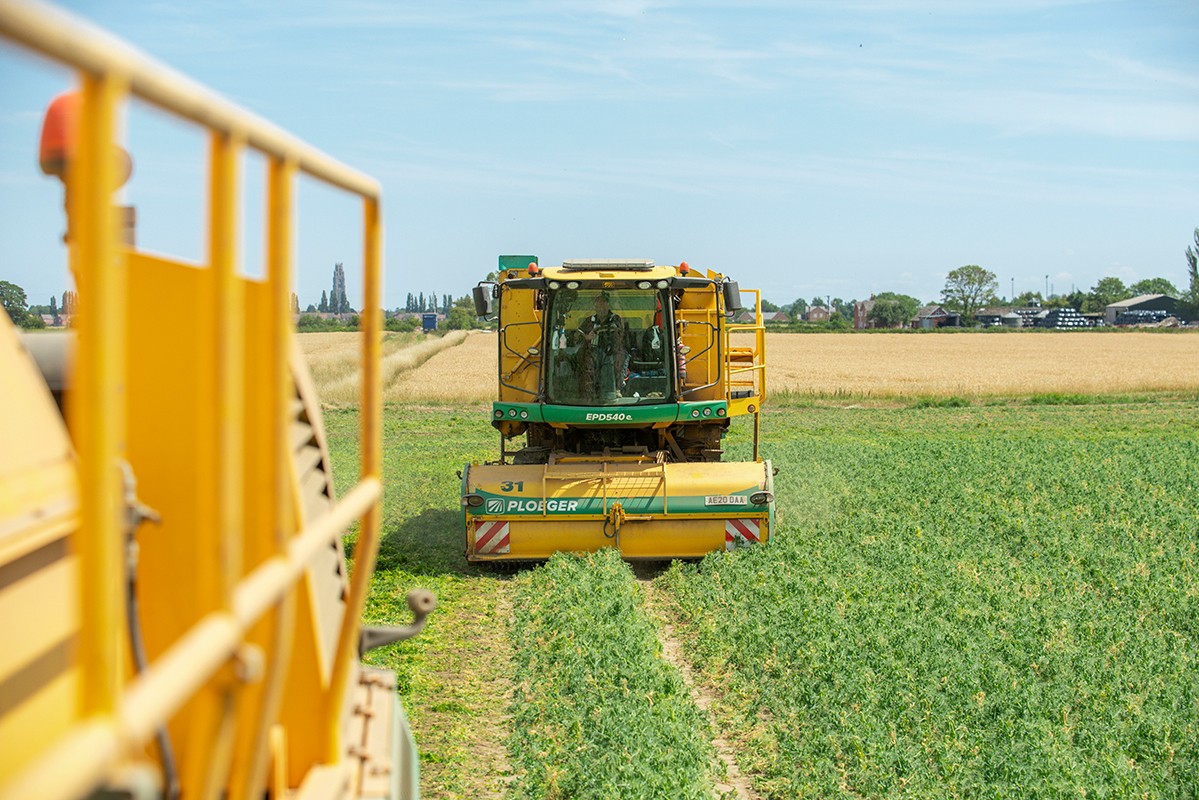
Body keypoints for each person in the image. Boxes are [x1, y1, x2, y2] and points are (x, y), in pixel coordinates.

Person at [577, 292, 627, 400]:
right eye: (598, 305)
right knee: (586, 360)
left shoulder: (616, 319)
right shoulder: (590, 321)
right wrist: (587, 337)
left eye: (603, 305)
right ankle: (588, 394)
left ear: (608, 305)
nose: (601, 308)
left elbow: (622, 335)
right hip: (593, 351)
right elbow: (577, 335)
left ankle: (617, 387)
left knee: (620, 356)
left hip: (612, 351)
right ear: (595, 307)